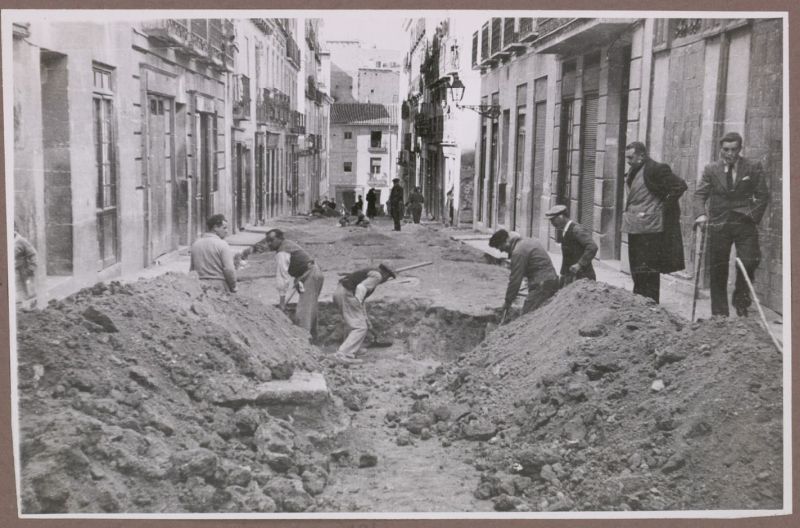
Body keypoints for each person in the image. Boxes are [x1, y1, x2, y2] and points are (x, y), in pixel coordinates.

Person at [694, 132, 769, 317]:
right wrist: (701, 215)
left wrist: (751, 216)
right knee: (718, 268)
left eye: (734, 149)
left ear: (740, 149)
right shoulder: (711, 169)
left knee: (749, 261)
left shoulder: (752, 167)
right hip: (719, 223)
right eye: (726, 149)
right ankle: (720, 315)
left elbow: (762, 195)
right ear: (721, 149)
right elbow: (699, 194)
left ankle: (741, 301)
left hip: (744, 223)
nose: (729, 154)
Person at [621, 141, 688, 303]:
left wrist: (662, 208)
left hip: (651, 228)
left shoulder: (656, 169)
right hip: (635, 226)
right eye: (627, 158)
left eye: (631, 157)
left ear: (642, 155)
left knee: (649, 269)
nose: (628, 161)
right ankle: (639, 300)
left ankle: (650, 303)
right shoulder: (633, 171)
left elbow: (680, 186)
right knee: (636, 268)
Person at [265, 229, 325, 341]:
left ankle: (304, 343)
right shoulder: (287, 245)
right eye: (267, 241)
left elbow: (282, 278)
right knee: (310, 310)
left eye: (271, 240)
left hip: (310, 274)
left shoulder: (283, 251)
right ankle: (313, 340)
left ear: (279, 239)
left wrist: (282, 303)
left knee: (304, 312)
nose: (269, 243)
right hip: (311, 273)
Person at [331, 263, 396, 364]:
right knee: (360, 327)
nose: (386, 280)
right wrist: (357, 303)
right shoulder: (377, 276)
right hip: (347, 294)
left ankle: (352, 348)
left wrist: (365, 317)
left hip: (340, 292)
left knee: (354, 322)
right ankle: (343, 354)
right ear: (386, 275)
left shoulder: (370, 272)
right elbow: (361, 289)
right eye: (388, 277)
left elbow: (362, 299)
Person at [489, 229, 559, 315]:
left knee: (527, 315)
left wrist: (507, 302)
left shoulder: (518, 252)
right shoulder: (527, 241)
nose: (500, 250)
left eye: (499, 246)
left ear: (506, 240)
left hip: (542, 284)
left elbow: (515, 281)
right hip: (550, 280)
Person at [545, 205, 598, 286]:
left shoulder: (576, 229)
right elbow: (567, 257)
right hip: (572, 277)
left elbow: (592, 247)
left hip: (584, 277)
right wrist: (563, 275)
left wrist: (580, 264)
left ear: (561, 217)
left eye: (553, 220)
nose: (552, 223)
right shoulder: (565, 231)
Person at [190, 214, 237, 293]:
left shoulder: (195, 244)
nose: (227, 231)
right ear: (215, 228)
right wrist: (234, 286)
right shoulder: (222, 245)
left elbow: (192, 270)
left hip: (200, 287)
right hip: (218, 287)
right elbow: (229, 270)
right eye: (224, 228)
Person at [14, 227, 38, 307]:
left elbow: (33, 254)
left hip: (23, 272)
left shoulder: (21, 241)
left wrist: (31, 268)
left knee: (28, 294)